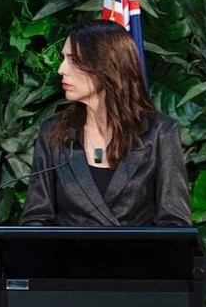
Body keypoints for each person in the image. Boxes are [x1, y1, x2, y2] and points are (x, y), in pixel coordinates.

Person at [19, 20, 191, 227]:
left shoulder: (160, 132)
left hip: (137, 258)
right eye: (64, 59)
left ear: (106, 65)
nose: (61, 70)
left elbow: (175, 223)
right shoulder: (54, 132)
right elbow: (35, 218)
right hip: (68, 258)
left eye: (73, 60)